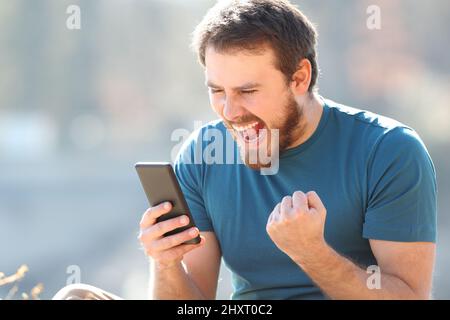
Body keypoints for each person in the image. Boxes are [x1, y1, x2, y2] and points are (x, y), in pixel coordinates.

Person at [54, 0, 437, 300]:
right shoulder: (201, 155)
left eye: (248, 92)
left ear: (299, 78)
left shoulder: (388, 151)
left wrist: (312, 253)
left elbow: (409, 296)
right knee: (76, 296)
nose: (230, 112)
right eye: (216, 91)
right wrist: (166, 263)